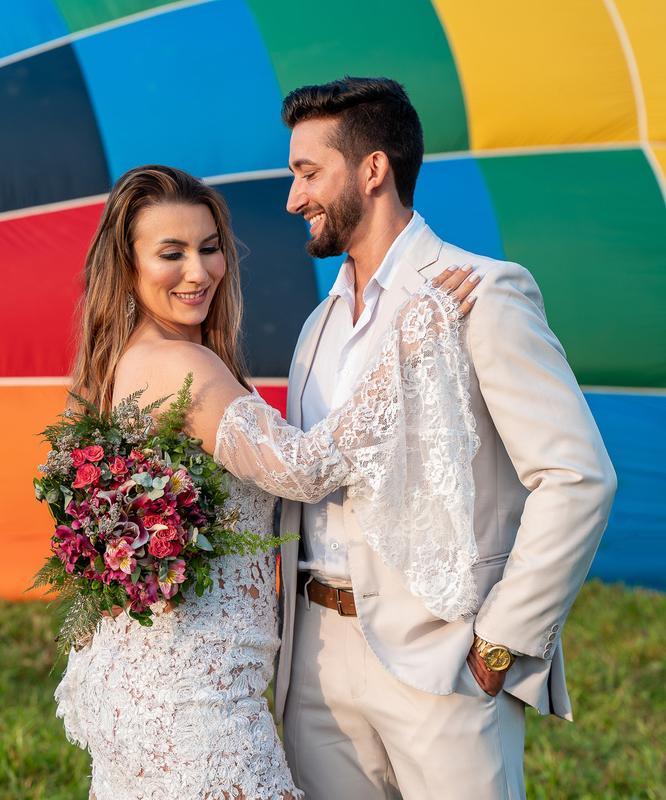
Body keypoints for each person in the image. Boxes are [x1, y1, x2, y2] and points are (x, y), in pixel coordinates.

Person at [52, 164, 480, 800]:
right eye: (171, 253)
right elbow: (302, 469)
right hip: (194, 699)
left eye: (209, 247)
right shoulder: (180, 366)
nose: (199, 272)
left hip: (162, 680)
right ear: (128, 264)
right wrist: (408, 349)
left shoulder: (129, 360)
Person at [274, 77, 618, 800]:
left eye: (309, 173)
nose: (293, 198)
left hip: (443, 659)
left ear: (373, 170)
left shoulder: (484, 293)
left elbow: (577, 477)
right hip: (317, 663)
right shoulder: (317, 327)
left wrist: (500, 642)